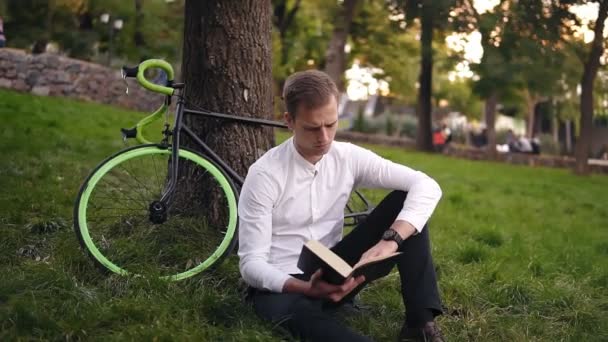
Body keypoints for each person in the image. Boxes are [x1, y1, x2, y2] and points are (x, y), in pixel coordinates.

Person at [238, 70, 445, 341]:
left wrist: (391, 240)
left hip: (336, 271)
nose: (324, 137)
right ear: (289, 121)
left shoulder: (347, 156)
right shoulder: (264, 174)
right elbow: (251, 264)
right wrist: (303, 287)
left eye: (331, 124)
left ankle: (419, 326)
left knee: (408, 204)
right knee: (299, 315)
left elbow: (426, 184)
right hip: (282, 284)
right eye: (312, 128)